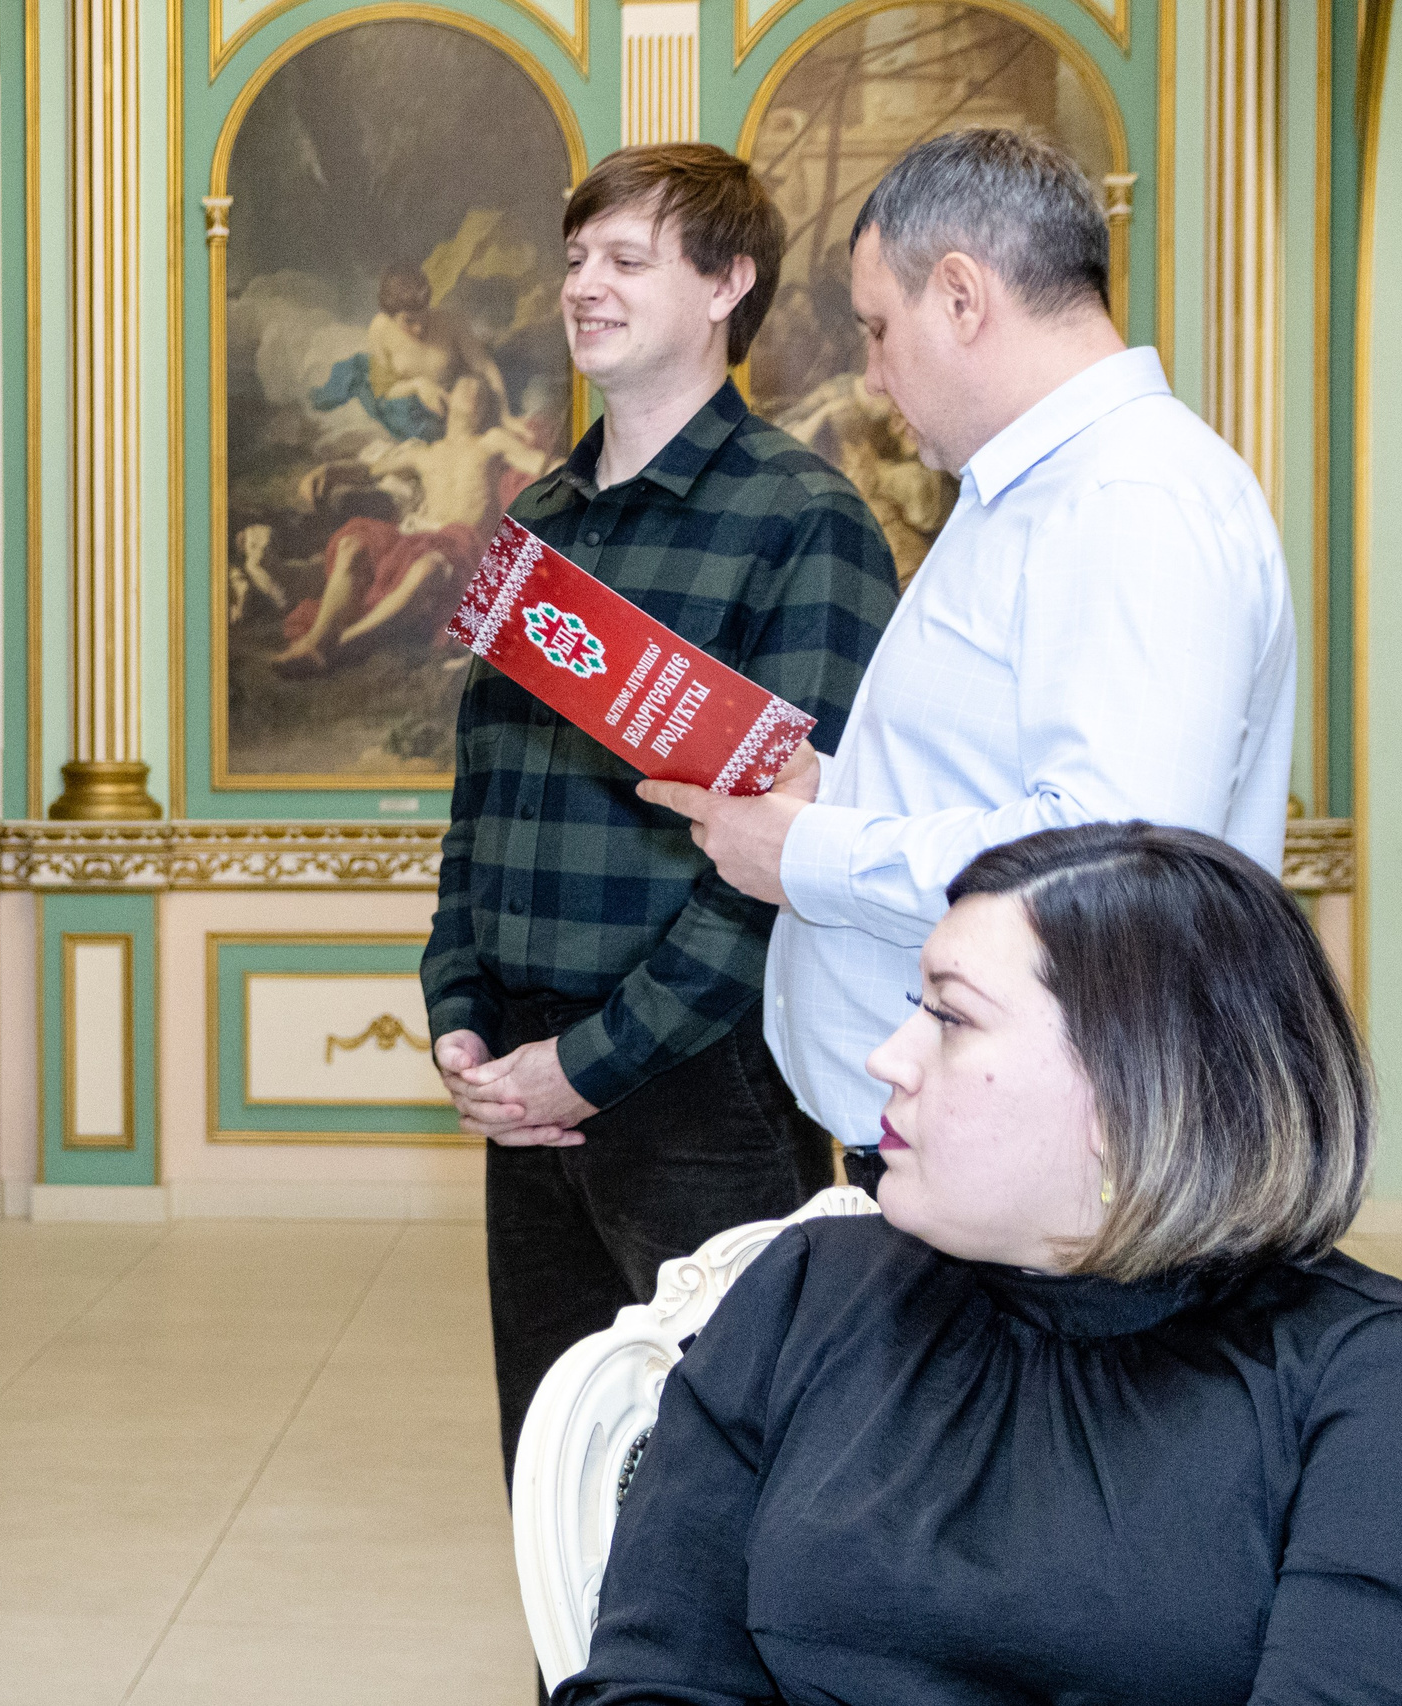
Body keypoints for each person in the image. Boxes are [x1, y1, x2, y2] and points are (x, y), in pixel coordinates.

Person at [556, 822, 1402, 1704]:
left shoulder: (1362, 1380)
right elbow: (655, 1679)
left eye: (951, 1017)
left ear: (1139, 1090)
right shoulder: (808, 1292)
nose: (888, 1057)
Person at [640, 129, 1297, 1197]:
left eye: (876, 329)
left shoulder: (1128, 497)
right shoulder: (1040, 491)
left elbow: (1112, 855)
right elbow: (1002, 783)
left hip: (1050, 1164)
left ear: (960, 296)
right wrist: (831, 797)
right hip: (978, 1153)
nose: (869, 375)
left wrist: (811, 853)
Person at [420, 142, 897, 1490]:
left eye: (626, 260)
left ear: (727, 285)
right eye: (576, 258)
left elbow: (779, 857)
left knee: (721, 1489)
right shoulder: (543, 523)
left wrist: (596, 1057)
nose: (584, 286)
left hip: (703, 1091)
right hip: (527, 1087)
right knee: (558, 1483)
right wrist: (459, 1001)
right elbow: (485, 794)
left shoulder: (801, 522)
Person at [274, 374, 549, 673]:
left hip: (460, 545)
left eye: (482, 392)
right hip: (417, 538)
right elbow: (370, 470)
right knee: (352, 544)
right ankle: (315, 639)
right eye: (465, 386)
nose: (474, 392)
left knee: (428, 566)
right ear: (445, 399)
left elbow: (539, 462)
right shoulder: (423, 453)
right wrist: (331, 470)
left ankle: (342, 645)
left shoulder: (492, 441)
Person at [312, 261, 514, 442]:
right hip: (405, 405)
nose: (419, 327)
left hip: (447, 406)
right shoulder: (380, 328)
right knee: (360, 383)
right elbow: (384, 392)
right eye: (409, 321)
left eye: (423, 315)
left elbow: (485, 367)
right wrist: (419, 385)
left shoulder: (452, 322)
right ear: (391, 316)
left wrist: (506, 416)